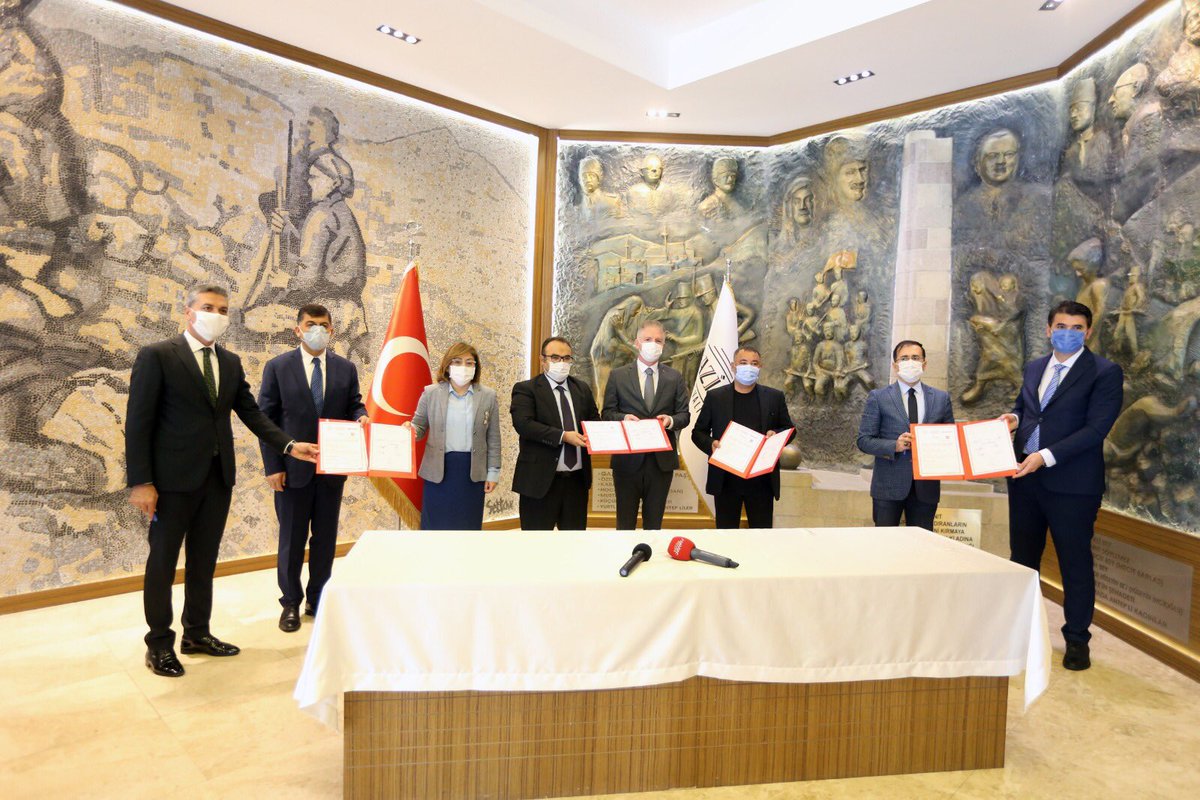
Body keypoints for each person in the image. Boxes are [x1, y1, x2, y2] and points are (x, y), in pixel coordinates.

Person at [125, 283, 318, 677]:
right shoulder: (158, 355)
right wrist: (142, 482)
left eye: (223, 310)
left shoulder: (229, 362)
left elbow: (252, 413)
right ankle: (159, 644)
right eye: (208, 307)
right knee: (162, 563)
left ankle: (197, 633)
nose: (216, 315)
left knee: (204, 561)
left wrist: (289, 445)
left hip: (216, 480)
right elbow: (138, 422)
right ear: (188, 311)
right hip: (170, 482)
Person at [1004, 300, 1123, 672]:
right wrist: (1013, 419)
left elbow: (1096, 429)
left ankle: (1076, 639)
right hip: (1024, 479)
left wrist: (1046, 456)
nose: (1067, 333)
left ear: (1088, 332)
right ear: (1048, 329)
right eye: (1060, 326)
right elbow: (1027, 410)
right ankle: (1021, 631)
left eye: (1076, 328)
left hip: (1073, 485)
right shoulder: (1035, 367)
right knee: (1023, 560)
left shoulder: (1104, 372)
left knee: (1075, 563)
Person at [257, 303, 367, 632]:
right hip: (292, 471)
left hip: (332, 469)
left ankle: (317, 598)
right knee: (292, 539)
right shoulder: (278, 367)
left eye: (323, 325)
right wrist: (273, 466)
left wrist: (361, 415)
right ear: (298, 330)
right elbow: (266, 422)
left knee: (325, 539)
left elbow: (354, 403)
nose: (317, 330)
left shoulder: (346, 368)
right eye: (310, 324)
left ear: (331, 330)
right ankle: (290, 602)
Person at [690, 347, 795, 528]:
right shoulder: (716, 397)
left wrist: (776, 434)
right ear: (733, 366)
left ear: (760, 367)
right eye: (743, 363)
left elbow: (790, 429)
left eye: (754, 363)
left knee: (761, 533)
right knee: (727, 533)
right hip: (726, 480)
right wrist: (711, 444)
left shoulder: (774, 397)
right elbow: (698, 432)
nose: (749, 367)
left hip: (761, 480)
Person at [855, 340, 954, 531]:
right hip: (888, 486)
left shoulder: (941, 398)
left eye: (915, 358)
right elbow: (864, 440)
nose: (910, 362)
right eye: (904, 358)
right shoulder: (879, 397)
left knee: (922, 543)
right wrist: (895, 445)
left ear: (924, 363)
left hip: (926, 489)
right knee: (885, 543)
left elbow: (951, 439)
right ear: (895, 365)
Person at [601, 320, 690, 529]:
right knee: (625, 523)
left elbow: (684, 415)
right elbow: (607, 413)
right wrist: (624, 418)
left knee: (654, 524)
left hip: (661, 463)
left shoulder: (674, 377)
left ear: (664, 344)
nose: (653, 344)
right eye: (648, 339)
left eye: (658, 340)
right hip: (627, 462)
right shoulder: (618, 376)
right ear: (637, 343)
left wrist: (670, 421)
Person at [510, 337, 599, 530]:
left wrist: (618, 427)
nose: (562, 363)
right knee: (537, 544)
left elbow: (594, 422)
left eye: (566, 358)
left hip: (576, 483)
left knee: (574, 542)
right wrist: (563, 436)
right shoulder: (526, 389)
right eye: (555, 357)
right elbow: (524, 425)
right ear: (543, 360)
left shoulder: (582, 389)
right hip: (539, 482)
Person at [410, 342, 502, 530]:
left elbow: (493, 438)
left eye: (469, 362)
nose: (463, 367)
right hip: (438, 472)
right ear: (447, 365)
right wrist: (409, 430)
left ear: (476, 367)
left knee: (467, 529)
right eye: (457, 361)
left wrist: (493, 473)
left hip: (472, 474)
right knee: (436, 530)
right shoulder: (430, 393)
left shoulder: (488, 396)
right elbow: (418, 427)